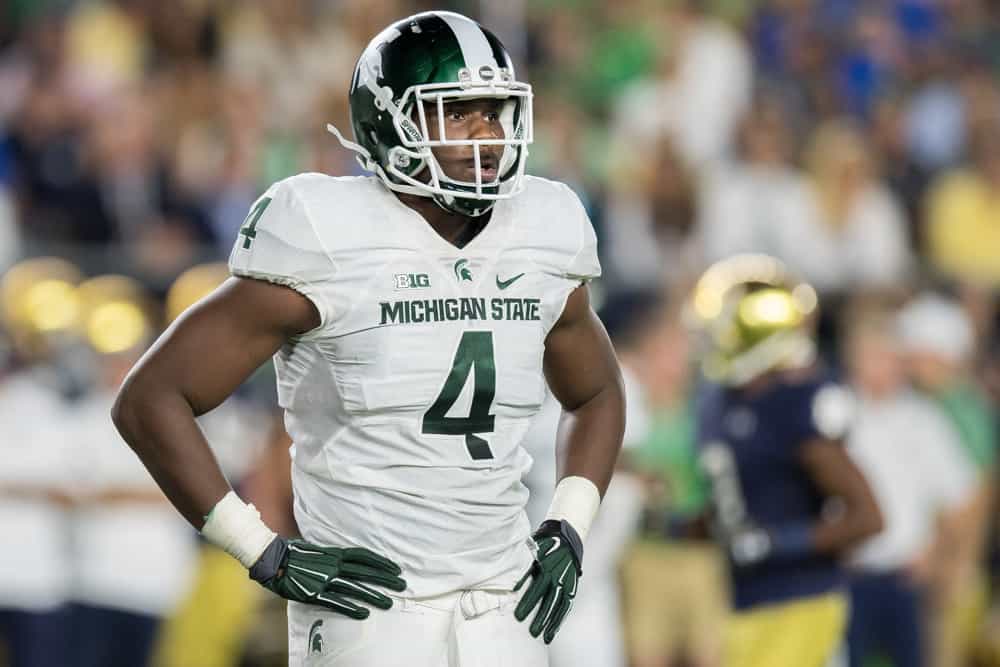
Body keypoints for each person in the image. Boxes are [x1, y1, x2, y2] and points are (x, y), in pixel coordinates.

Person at [112, 11, 625, 667]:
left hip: (506, 608)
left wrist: (571, 521)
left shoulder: (544, 225)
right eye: (458, 113)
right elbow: (152, 397)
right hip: (375, 616)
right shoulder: (327, 232)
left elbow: (599, 390)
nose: (487, 135)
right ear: (391, 122)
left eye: (494, 113)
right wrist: (257, 546)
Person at [687, 254, 883, 667]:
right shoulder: (716, 405)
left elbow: (868, 516)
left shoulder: (793, 405)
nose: (712, 330)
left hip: (802, 600)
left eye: (724, 319)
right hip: (742, 602)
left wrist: (780, 543)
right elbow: (739, 506)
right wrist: (684, 526)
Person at [844, 305, 977, 667]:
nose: (882, 365)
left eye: (888, 356)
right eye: (872, 355)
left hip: (904, 580)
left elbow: (960, 496)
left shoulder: (923, 420)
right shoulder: (836, 414)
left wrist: (937, 555)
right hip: (849, 577)